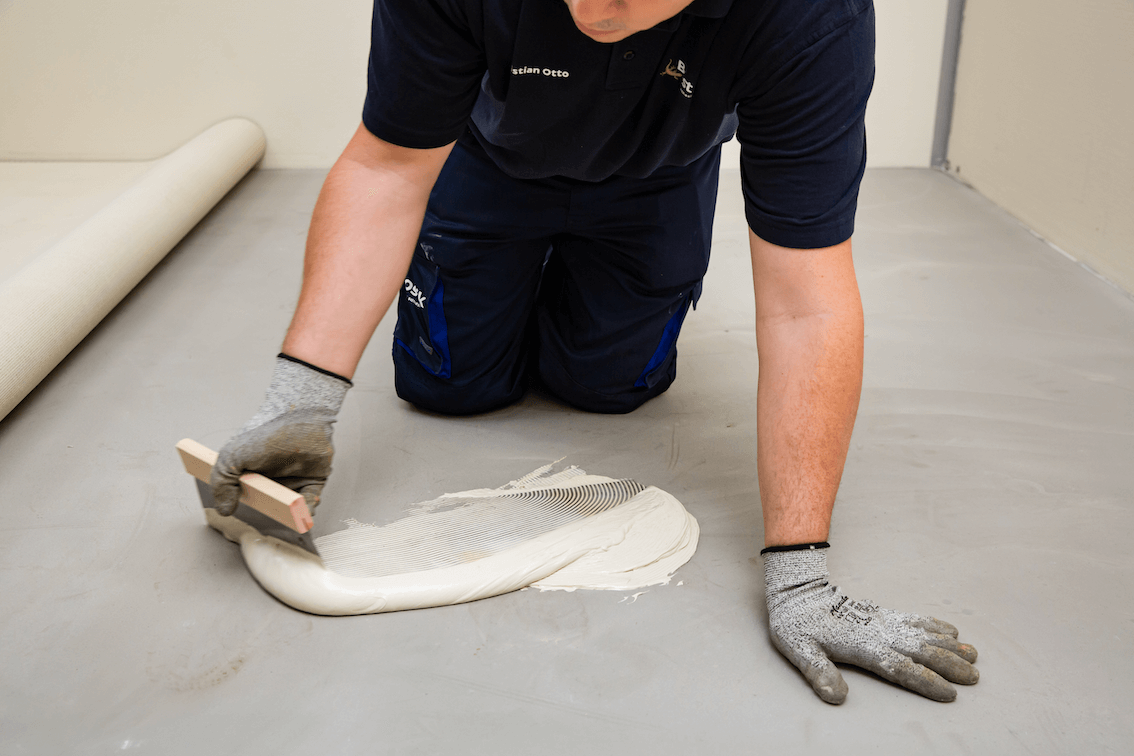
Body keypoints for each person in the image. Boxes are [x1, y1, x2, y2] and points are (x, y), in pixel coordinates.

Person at [210, 0, 979, 704]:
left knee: (609, 386)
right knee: (449, 386)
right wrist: (301, 401)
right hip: (486, 160)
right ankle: (508, 273)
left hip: (659, 174)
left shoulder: (809, 17)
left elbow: (806, 297)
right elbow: (387, 167)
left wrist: (801, 570)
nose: (595, 7)